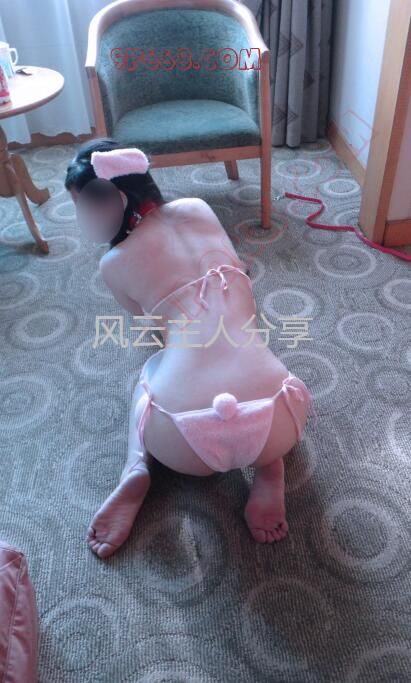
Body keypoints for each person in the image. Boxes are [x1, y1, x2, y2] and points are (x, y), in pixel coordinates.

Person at [65, 138, 315, 558]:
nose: (81, 217)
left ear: (115, 201)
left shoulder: (113, 263)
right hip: (278, 416)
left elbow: (152, 328)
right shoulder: (198, 207)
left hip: (181, 440)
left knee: (153, 370)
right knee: (252, 352)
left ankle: (136, 467)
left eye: (83, 205)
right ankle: (270, 465)